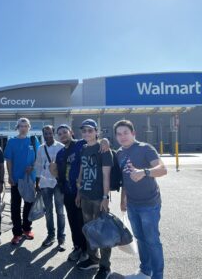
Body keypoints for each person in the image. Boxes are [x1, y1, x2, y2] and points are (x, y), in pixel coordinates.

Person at [114, 120, 167, 279]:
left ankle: (158, 276)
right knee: (140, 239)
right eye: (119, 134)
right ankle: (145, 271)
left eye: (126, 133)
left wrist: (144, 172)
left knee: (152, 241)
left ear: (133, 133)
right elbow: (125, 179)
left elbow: (162, 170)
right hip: (132, 204)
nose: (122, 136)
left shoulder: (145, 148)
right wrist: (123, 199)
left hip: (149, 204)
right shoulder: (119, 153)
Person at [56, 124, 110, 263]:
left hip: (85, 193)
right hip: (69, 193)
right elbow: (59, 171)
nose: (62, 135)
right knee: (73, 223)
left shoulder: (81, 144)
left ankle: (89, 252)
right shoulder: (60, 153)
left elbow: (96, 141)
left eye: (65, 132)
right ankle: (78, 247)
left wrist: (105, 141)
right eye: (60, 133)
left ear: (71, 132)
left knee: (86, 224)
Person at [75, 119, 114, 279]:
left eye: (90, 131)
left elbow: (106, 176)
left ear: (97, 132)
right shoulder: (83, 148)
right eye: (84, 131)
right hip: (85, 196)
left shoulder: (103, 149)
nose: (86, 134)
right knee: (89, 229)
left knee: (102, 231)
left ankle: (105, 266)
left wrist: (105, 197)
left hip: (99, 197)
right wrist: (79, 193)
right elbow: (82, 172)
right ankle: (93, 259)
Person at [4, 117, 40, 245]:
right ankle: (17, 233)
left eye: (25, 126)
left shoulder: (33, 140)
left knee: (29, 205)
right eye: (21, 126)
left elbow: (38, 157)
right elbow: (9, 160)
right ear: (17, 127)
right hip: (16, 178)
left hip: (30, 179)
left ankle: (27, 229)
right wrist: (10, 176)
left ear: (29, 127)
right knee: (15, 206)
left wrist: (33, 166)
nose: (23, 128)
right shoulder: (11, 142)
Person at [35, 125, 65, 250]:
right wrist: (37, 183)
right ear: (43, 134)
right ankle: (50, 236)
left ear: (53, 133)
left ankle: (61, 238)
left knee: (60, 211)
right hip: (45, 183)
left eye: (50, 133)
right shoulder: (41, 148)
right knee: (48, 212)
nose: (47, 135)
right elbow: (38, 165)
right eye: (45, 133)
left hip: (58, 183)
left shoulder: (61, 147)